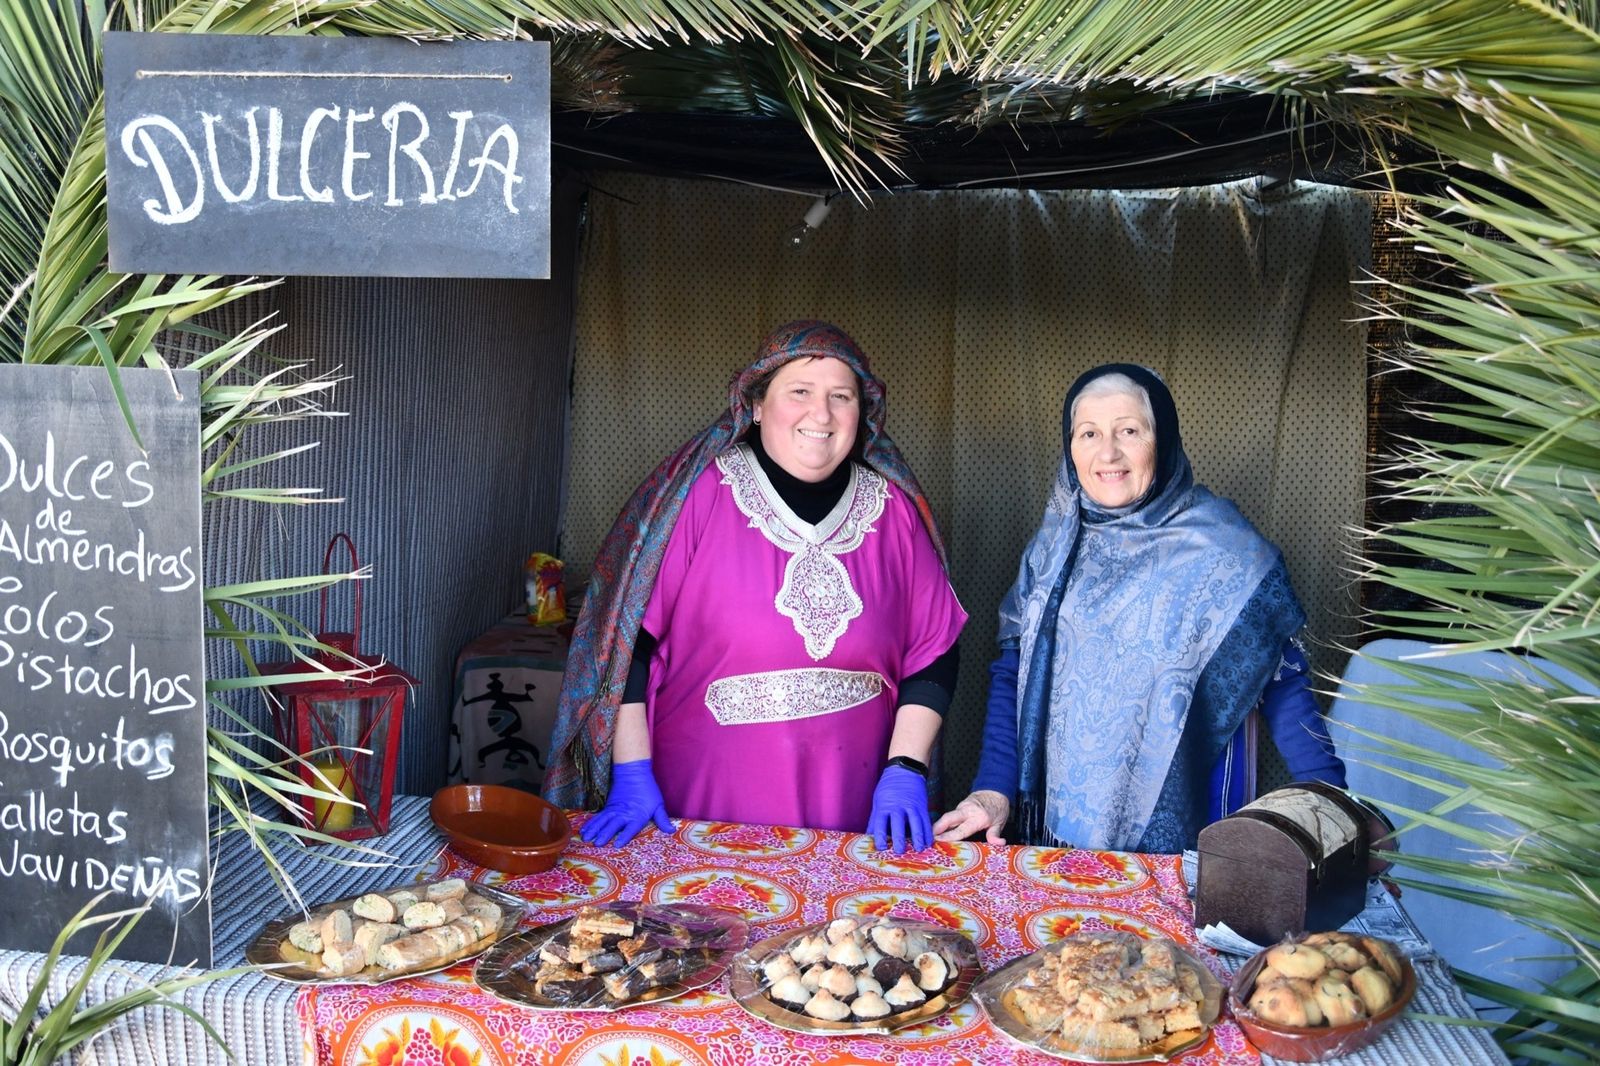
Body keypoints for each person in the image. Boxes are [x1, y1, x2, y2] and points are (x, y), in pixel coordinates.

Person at [544, 321, 967, 854]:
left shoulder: (895, 512)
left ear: (863, 416)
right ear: (757, 404)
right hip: (698, 808)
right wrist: (631, 770)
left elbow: (936, 649)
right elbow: (628, 644)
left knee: (838, 937)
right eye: (800, 393)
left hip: (859, 813)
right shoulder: (697, 498)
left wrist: (906, 767)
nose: (822, 414)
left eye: (842, 397)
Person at [934, 363, 1345, 853]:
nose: (1107, 453)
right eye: (1088, 433)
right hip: (1051, 835)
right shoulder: (1052, 549)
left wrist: (1336, 810)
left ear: (1163, 438)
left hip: (1191, 831)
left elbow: (1286, 689)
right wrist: (992, 790)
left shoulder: (1227, 553)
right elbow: (1012, 675)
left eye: (1129, 430)